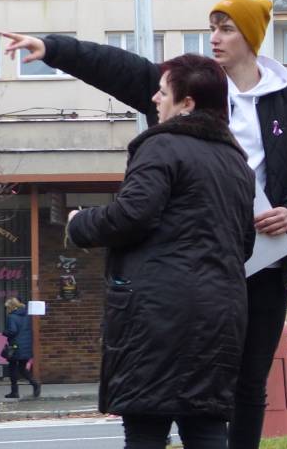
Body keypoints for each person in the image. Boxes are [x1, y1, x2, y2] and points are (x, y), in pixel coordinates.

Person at [2, 0, 287, 449]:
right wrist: (54, 49)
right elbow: (118, 68)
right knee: (194, 395)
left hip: (263, 260)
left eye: (226, 29)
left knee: (247, 380)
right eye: (212, 28)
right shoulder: (187, 87)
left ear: (252, 38)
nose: (214, 38)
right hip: (196, 266)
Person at [64, 54, 256, 449]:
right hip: (221, 314)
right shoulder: (237, 162)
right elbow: (245, 243)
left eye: (163, 92)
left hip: (158, 314)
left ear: (187, 104)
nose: (154, 98)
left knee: (145, 428)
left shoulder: (162, 145)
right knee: (205, 426)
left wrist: (79, 222)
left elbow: (131, 215)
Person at [3, 297, 40, 400]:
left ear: (11, 307)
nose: (7, 309)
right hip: (26, 346)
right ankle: (35, 383)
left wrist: (4, 332)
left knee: (12, 369)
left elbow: (12, 331)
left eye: (7, 307)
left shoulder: (12, 317)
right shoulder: (27, 315)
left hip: (15, 346)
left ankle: (14, 392)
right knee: (22, 369)